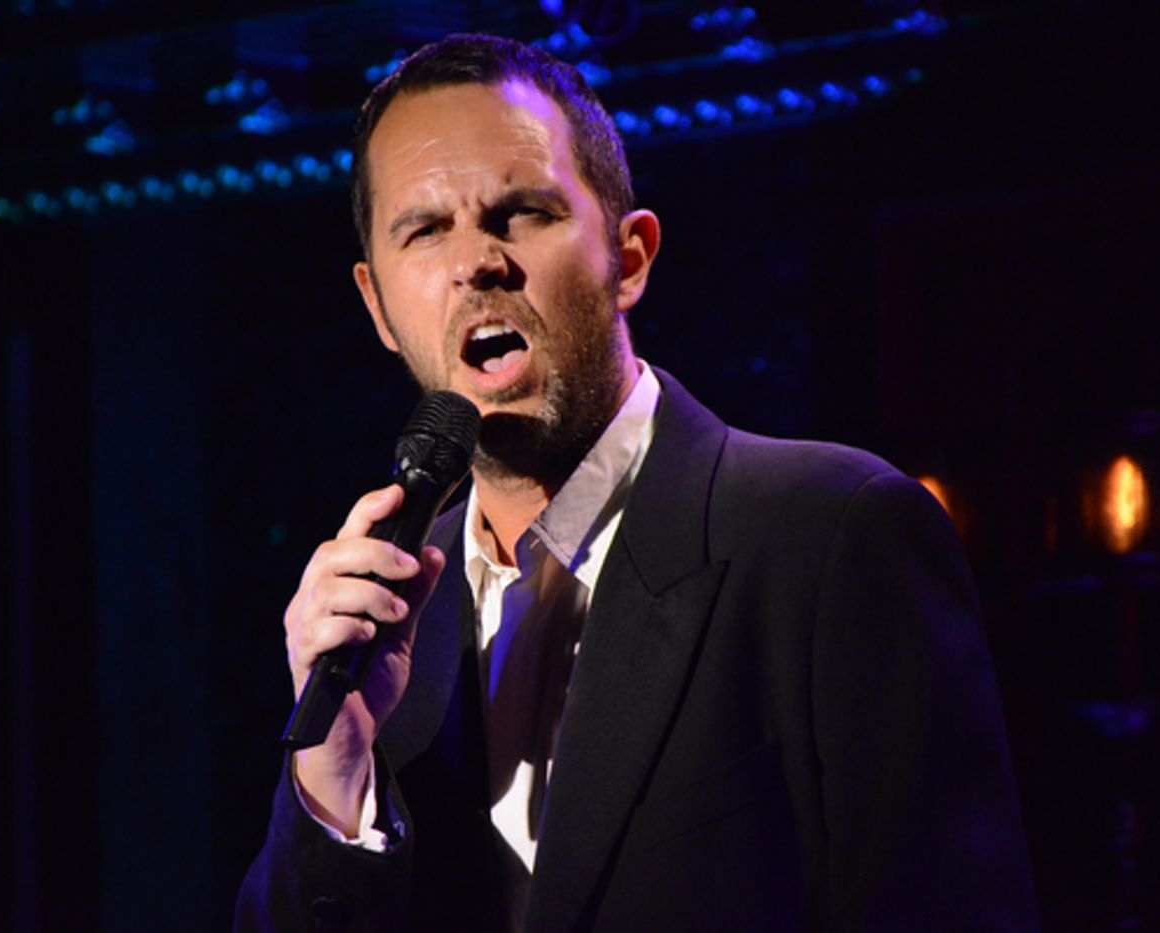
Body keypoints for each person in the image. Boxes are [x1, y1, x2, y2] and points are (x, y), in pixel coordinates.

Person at [235, 33, 1038, 933]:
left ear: (632, 257)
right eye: (424, 230)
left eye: (524, 212)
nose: (477, 262)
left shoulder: (829, 534)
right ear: (378, 306)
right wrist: (336, 776)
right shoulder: (383, 636)